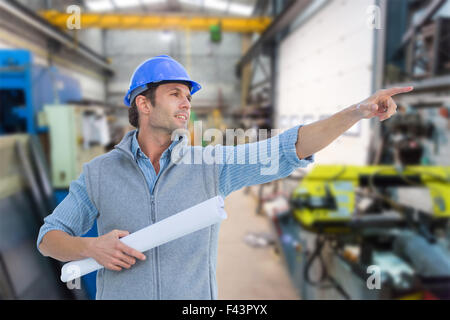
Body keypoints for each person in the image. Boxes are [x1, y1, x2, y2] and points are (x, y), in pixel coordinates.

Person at [37, 55, 413, 299]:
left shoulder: (212, 164)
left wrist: (356, 112)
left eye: (188, 95)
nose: (187, 103)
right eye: (175, 94)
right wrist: (90, 248)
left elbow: (287, 149)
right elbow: (48, 238)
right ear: (144, 103)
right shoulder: (99, 173)